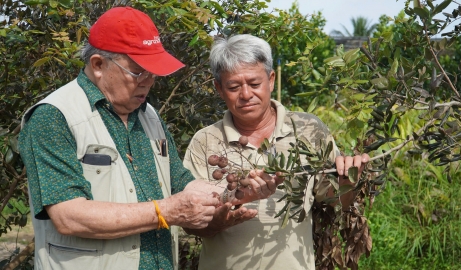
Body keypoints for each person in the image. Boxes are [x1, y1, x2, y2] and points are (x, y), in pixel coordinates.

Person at [18, 8, 281, 270]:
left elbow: (180, 184)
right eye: (138, 72)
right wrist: (165, 211)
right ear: (98, 65)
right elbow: (69, 217)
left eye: (153, 72)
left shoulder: (148, 115)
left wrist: (233, 194)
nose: (149, 82)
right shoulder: (53, 117)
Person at [183, 34, 370, 269]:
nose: (246, 95)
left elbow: (337, 200)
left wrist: (348, 180)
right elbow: (189, 224)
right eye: (233, 87)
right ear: (219, 89)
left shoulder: (308, 129)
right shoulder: (205, 142)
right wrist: (227, 211)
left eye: (254, 84)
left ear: (271, 80)